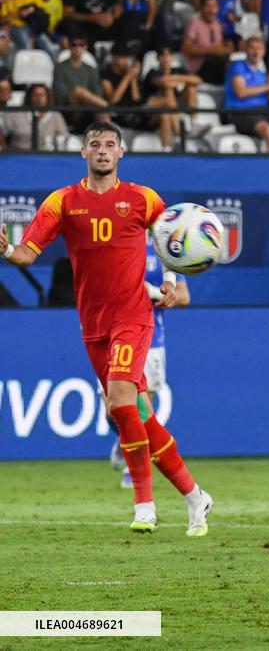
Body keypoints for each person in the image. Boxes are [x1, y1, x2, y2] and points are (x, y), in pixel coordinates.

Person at [1, 120, 214, 535]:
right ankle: (195, 497)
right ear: (83, 153)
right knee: (138, 415)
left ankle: (144, 505)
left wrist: (170, 283)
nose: (102, 150)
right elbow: (26, 254)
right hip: (92, 323)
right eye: (95, 144)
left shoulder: (142, 198)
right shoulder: (62, 202)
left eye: (110, 144)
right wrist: (6, 247)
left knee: (119, 400)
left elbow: (172, 240)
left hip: (133, 316)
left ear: (121, 153)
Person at [112, 237, 192, 489]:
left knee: (143, 408)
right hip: (114, 336)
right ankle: (125, 442)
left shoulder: (165, 250)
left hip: (151, 340)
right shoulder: (116, 245)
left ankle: (132, 464)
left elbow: (184, 296)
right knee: (111, 408)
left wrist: (154, 292)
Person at [224, 35, 269, 152]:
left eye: (259, 49)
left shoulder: (262, 72)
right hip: (241, 112)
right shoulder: (238, 66)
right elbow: (241, 92)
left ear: (263, 52)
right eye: (252, 48)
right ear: (245, 50)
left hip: (263, 110)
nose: (256, 52)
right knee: (266, 128)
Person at [52, 33, 109, 133]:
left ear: (86, 47)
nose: (77, 48)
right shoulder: (59, 68)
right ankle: (109, 107)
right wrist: (81, 95)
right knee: (78, 91)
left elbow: (97, 94)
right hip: (67, 111)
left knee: (101, 113)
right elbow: (61, 96)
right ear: (69, 46)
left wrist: (84, 97)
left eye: (81, 44)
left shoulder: (91, 69)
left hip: (88, 110)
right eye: (74, 44)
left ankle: (111, 140)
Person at [182, 0, 234, 86]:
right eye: (208, 6)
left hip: (216, 66)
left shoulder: (217, 25)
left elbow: (218, 47)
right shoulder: (194, 24)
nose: (212, 10)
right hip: (199, 68)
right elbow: (185, 49)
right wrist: (211, 51)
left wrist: (227, 48)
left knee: (236, 66)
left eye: (214, 6)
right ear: (201, 8)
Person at [0, 82, 68, 150]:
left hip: (47, 156)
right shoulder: (17, 113)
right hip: (19, 154)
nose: (39, 98)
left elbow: (64, 136)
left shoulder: (56, 115)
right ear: (29, 97)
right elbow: (2, 132)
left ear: (48, 97)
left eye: (42, 95)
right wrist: (5, 150)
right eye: (35, 95)